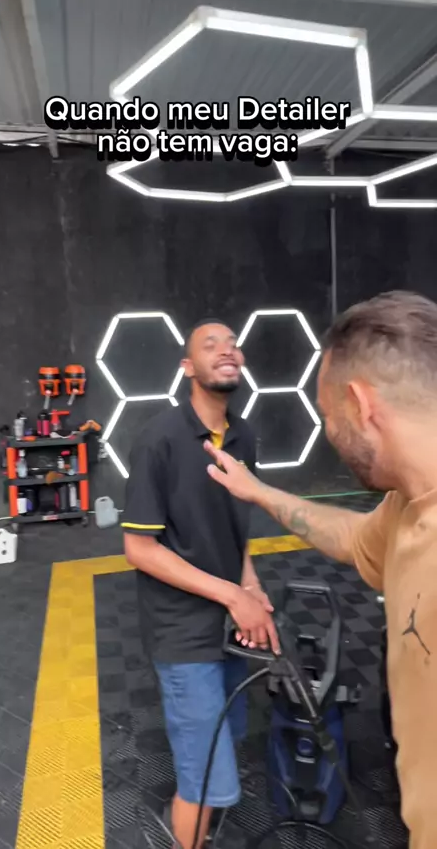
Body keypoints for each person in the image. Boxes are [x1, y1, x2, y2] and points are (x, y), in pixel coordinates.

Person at [204, 290, 437, 849]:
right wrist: (259, 493)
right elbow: (355, 538)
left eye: (327, 415)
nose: (329, 433)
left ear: (360, 404)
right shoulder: (407, 505)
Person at [122, 319, 279, 849]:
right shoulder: (158, 440)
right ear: (188, 367)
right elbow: (139, 549)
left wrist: (250, 587)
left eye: (232, 343)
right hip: (183, 633)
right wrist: (233, 595)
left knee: (225, 738)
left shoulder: (244, 437)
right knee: (204, 771)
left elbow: (236, 529)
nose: (226, 350)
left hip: (229, 622)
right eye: (210, 345)